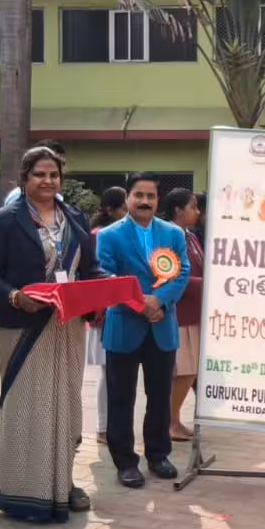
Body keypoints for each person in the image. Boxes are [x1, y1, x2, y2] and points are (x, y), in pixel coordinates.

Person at [0, 147, 100, 521]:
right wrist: (15, 296)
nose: (48, 181)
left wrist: (105, 287)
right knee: (26, 405)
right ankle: (19, 488)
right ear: (24, 178)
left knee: (66, 403)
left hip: (67, 325)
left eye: (54, 174)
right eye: (39, 174)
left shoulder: (74, 217)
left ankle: (63, 481)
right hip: (23, 325)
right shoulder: (2, 221)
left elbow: (89, 268)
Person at [98, 173, 190, 488]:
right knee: (121, 398)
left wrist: (159, 301)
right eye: (139, 195)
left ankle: (158, 454)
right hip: (124, 325)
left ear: (157, 199)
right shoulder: (109, 235)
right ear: (127, 197)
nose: (145, 201)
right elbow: (105, 276)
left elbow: (182, 272)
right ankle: (125, 461)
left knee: (160, 395)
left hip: (162, 326)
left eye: (151, 196)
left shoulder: (173, 233)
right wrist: (140, 304)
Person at [160, 187, 204, 442]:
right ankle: (168, 421)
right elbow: (172, 276)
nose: (197, 212)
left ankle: (173, 419)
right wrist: (205, 284)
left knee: (188, 371)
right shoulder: (169, 236)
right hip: (180, 312)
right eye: (192, 207)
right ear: (178, 210)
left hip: (193, 311)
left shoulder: (191, 236)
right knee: (184, 371)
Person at [87, 186, 127, 445]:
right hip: (105, 313)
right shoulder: (99, 235)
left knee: (117, 373)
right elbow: (96, 275)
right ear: (111, 210)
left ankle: (113, 425)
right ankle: (103, 427)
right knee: (108, 371)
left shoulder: (123, 232)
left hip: (121, 310)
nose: (127, 212)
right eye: (123, 208)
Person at [1, 139, 66, 208]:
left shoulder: (61, 203)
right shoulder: (17, 197)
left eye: (54, 175)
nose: (48, 181)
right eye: (40, 175)